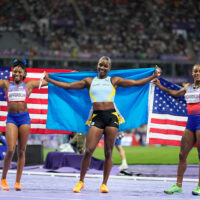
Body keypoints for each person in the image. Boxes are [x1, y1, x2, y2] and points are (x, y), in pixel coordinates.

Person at [44, 56, 161, 193]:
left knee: (109, 152)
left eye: (105, 66)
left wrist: (152, 76)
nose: (102, 68)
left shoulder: (114, 80)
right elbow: (69, 86)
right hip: (97, 117)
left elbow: (134, 83)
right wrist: (50, 80)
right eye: (101, 65)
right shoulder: (89, 81)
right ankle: (81, 181)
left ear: (109, 68)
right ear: (97, 65)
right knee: (88, 151)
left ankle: (104, 184)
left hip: (112, 117)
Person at [0, 59, 48, 191]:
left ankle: (17, 182)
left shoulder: (29, 85)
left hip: (24, 120)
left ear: (24, 74)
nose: (16, 73)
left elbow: (47, 82)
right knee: (10, 150)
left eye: (19, 71)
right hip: (11, 119)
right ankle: (3, 179)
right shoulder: (5, 84)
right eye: (14, 71)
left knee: (21, 150)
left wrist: (52, 76)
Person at [153, 63, 200, 195]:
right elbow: (174, 93)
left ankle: (199, 187)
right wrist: (160, 86)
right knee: (182, 155)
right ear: (192, 73)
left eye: (199, 72)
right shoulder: (187, 87)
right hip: (190, 123)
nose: (197, 74)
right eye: (195, 71)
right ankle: (178, 185)